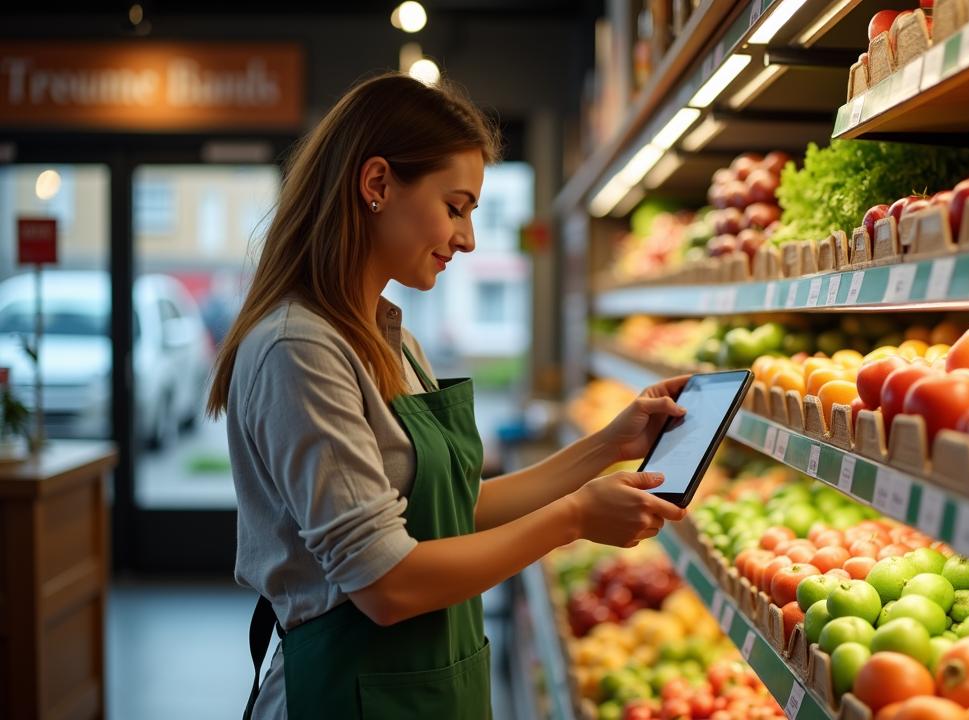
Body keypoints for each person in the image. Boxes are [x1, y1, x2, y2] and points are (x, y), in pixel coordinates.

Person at [206, 73, 689, 719]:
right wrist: (572, 519)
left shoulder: (388, 336)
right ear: (376, 184)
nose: (468, 239)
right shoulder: (299, 350)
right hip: (347, 693)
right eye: (455, 206)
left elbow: (453, 508)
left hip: (423, 682)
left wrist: (609, 445)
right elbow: (385, 584)